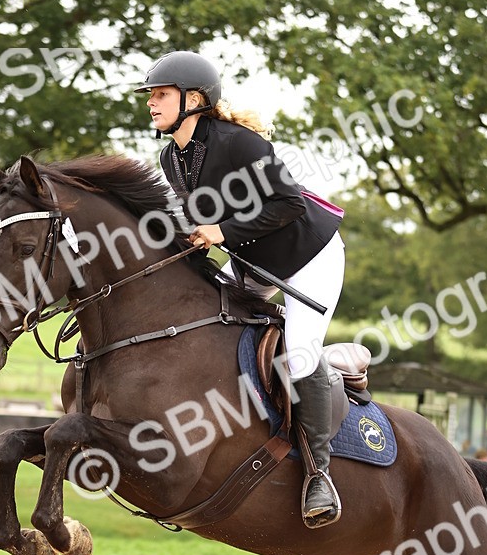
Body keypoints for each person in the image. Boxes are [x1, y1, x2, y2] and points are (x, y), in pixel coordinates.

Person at [135, 50, 346, 528]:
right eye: (150, 95)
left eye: (160, 94)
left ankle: (319, 474)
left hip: (309, 256)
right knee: (203, 320)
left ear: (194, 100)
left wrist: (222, 231)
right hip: (255, 261)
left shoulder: (239, 143)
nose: (151, 102)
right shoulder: (171, 158)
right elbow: (201, 219)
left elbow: (290, 204)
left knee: (300, 354)